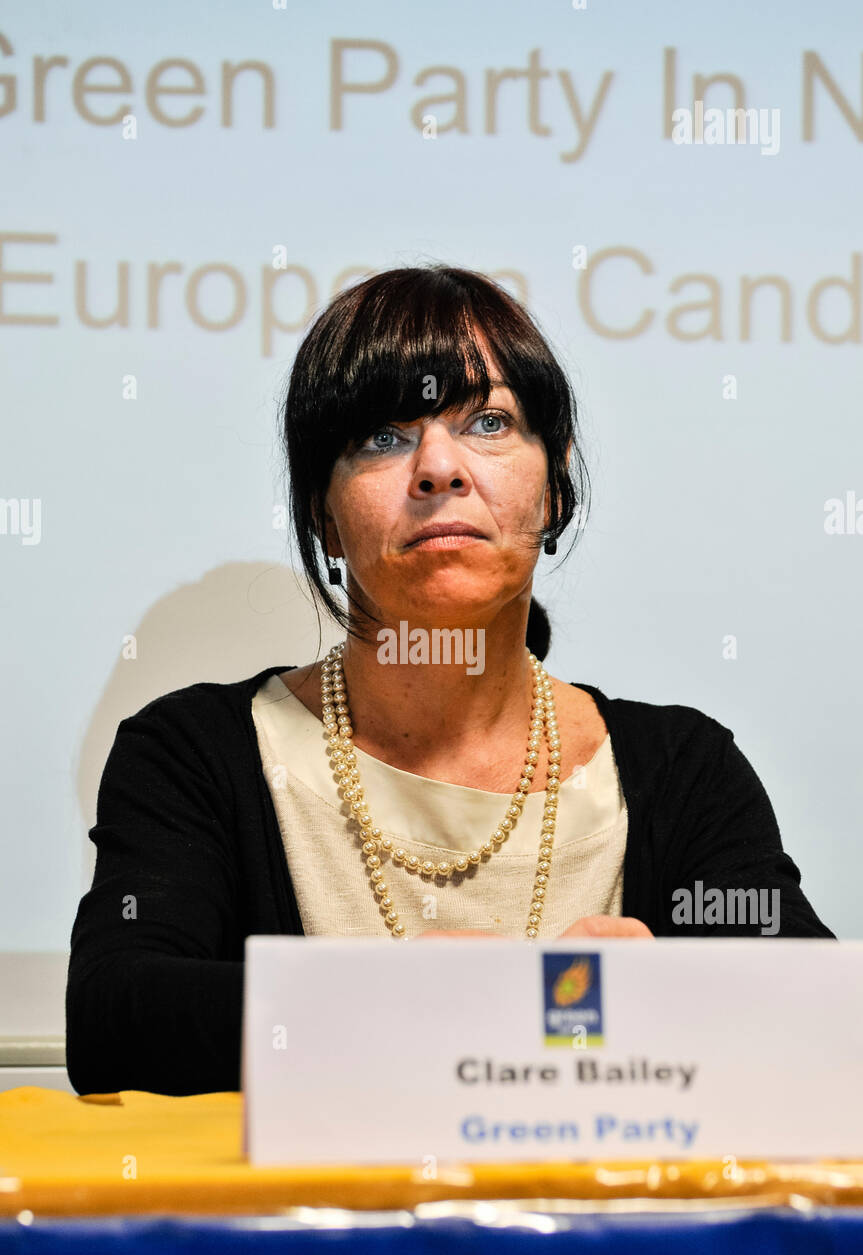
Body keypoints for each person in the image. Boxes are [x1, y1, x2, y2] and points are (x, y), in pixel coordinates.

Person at [65, 264, 834, 1098]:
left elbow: (819, 1015)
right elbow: (117, 1021)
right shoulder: (194, 754)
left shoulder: (682, 767)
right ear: (322, 510)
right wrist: (398, 1002)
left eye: (490, 423)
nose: (438, 468)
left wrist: (673, 996)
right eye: (381, 437)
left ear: (555, 483)